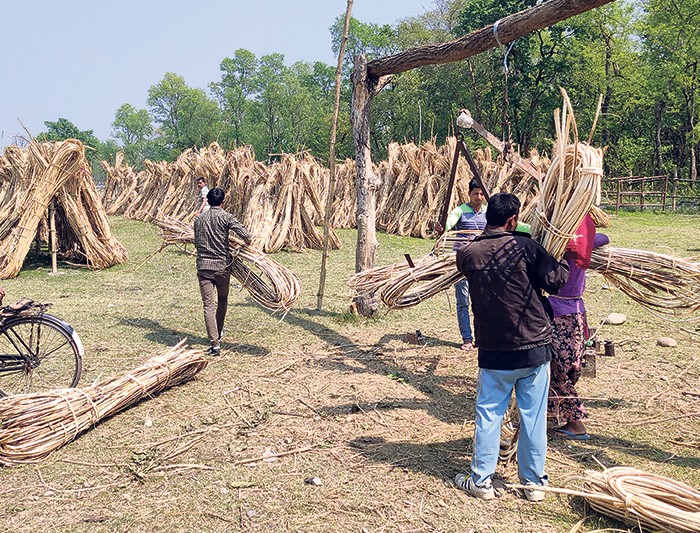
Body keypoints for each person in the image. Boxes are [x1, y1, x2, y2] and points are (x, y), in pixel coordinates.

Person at [453, 193, 569, 501]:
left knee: (489, 413)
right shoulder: (526, 248)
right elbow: (556, 280)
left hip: (494, 351)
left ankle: (481, 481)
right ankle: (533, 486)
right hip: (533, 348)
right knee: (532, 416)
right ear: (513, 220)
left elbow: (474, 259)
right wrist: (563, 260)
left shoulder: (468, 254)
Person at [548, 213, 609, 440]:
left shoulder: (553, 246)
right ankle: (556, 415)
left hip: (557, 314)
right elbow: (603, 238)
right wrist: (584, 237)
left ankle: (575, 423)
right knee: (569, 366)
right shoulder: (582, 245)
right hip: (576, 312)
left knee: (558, 369)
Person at [194, 187, 252, 356]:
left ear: (208, 201)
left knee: (208, 306)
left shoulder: (199, 219)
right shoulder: (226, 217)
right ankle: (218, 332)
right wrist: (246, 242)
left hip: (204, 267)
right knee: (223, 298)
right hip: (222, 267)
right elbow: (245, 234)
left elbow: (196, 242)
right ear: (222, 202)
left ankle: (215, 343)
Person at [444, 179, 487, 351]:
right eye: (475, 193)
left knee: (482, 303)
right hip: (463, 265)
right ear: (469, 194)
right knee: (463, 302)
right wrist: (445, 227)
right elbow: (450, 222)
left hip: (482, 265)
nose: (479, 197)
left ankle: (481, 338)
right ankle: (467, 339)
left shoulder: (488, 212)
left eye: (482, 193)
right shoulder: (461, 211)